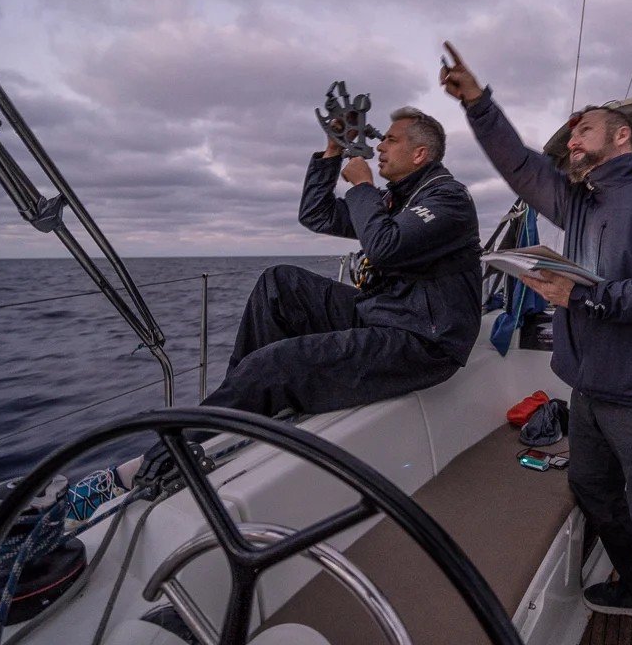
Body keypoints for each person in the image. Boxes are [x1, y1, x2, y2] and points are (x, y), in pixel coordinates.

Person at [441, 42, 632, 645]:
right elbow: (519, 166)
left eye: (586, 127)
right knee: (591, 490)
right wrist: (479, 103)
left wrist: (580, 296)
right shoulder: (577, 201)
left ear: (622, 138)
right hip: (587, 390)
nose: (574, 136)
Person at [198, 105, 483, 418]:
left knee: (276, 363)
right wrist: (333, 151)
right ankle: (236, 407)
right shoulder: (395, 200)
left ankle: (195, 438)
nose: (379, 147)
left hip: (424, 342)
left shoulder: (448, 199)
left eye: (390, 140)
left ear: (419, 154)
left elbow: (384, 247)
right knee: (279, 283)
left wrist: (362, 187)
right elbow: (316, 215)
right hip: (384, 315)